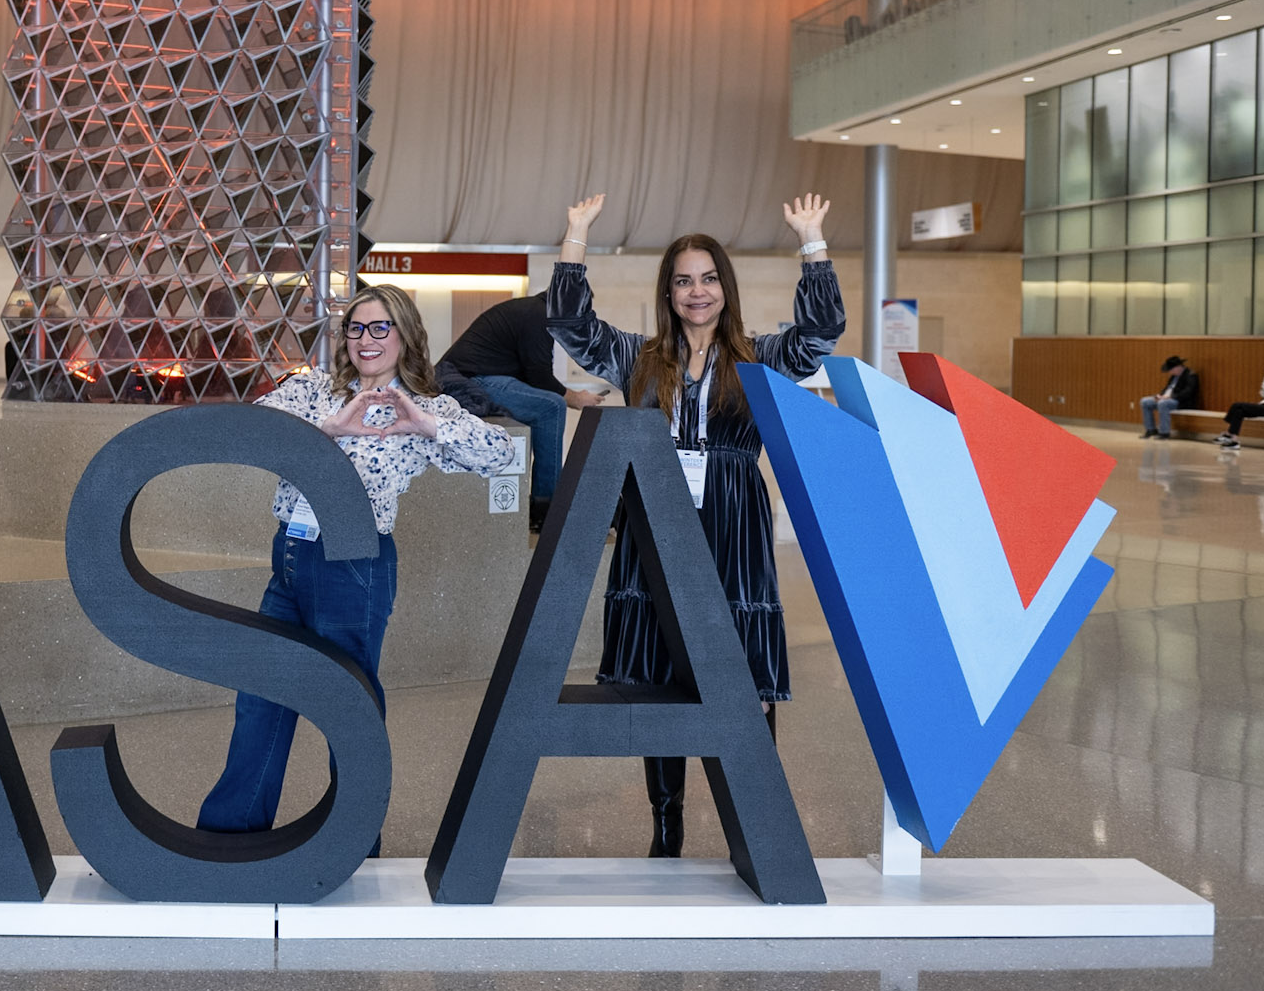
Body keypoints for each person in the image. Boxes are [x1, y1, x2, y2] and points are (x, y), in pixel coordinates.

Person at [548, 192, 844, 859]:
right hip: (655, 518)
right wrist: (576, 234)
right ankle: (666, 825)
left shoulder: (760, 356)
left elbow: (822, 332)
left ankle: (758, 821)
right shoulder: (639, 357)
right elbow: (569, 323)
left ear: (725, 287)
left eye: (709, 278)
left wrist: (812, 241)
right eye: (683, 281)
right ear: (669, 292)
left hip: (734, 523)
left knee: (744, 672)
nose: (697, 291)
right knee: (658, 672)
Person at [197, 285, 516, 838]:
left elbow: (501, 456)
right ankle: (230, 835)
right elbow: (248, 434)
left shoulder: (424, 407)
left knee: (349, 709)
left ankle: (352, 842)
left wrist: (426, 424)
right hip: (291, 556)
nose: (366, 340)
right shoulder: (313, 390)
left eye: (380, 327)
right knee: (261, 697)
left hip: (353, 568)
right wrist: (328, 429)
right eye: (356, 328)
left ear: (405, 335)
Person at [439, 293, 606, 530]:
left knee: (546, 404)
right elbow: (539, 376)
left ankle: (540, 504)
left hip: (474, 376)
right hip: (471, 380)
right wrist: (575, 398)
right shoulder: (540, 316)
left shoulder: (536, 311)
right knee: (552, 406)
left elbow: (534, 374)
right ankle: (546, 507)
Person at [1217, 358, 1264, 450]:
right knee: (1239, 412)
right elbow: (1263, 393)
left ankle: (1228, 434)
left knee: (1236, 405)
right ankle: (1234, 441)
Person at [1139, 355, 1200, 439]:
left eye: (1171, 370)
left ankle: (1164, 432)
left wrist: (1171, 397)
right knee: (1145, 401)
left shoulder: (1191, 375)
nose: (1170, 372)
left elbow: (1188, 392)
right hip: (1166, 398)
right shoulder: (1173, 376)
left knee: (1163, 403)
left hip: (1181, 401)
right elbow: (1167, 388)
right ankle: (1151, 429)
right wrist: (1160, 395)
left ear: (1178, 367)